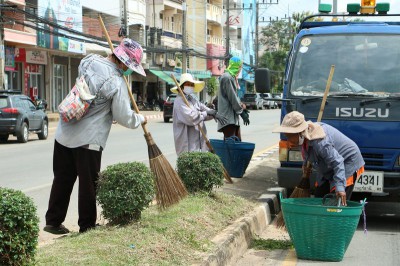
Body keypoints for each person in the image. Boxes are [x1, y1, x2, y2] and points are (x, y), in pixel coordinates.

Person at [44, 38, 147, 234]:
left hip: (64, 132)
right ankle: (87, 226)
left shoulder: (89, 60)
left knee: (62, 178)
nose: (129, 70)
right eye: (130, 66)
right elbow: (123, 116)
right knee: (88, 183)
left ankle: (53, 221)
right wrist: (140, 118)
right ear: (124, 62)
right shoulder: (117, 82)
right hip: (89, 139)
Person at [273, 111, 365, 206]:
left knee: (335, 202)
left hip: (347, 161)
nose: (288, 140)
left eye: (290, 136)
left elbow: (338, 162)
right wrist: (305, 165)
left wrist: (340, 187)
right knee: (319, 197)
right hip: (327, 165)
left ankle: (334, 218)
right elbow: (307, 152)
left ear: (300, 133)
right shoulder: (302, 138)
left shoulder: (320, 142)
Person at [172, 73, 227, 155]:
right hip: (187, 143)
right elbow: (191, 118)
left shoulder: (192, 98)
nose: (190, 86)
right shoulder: (179, 101)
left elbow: (203, 108)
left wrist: (213, 113)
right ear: (182, 86)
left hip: (199, 141)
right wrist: (207, 113)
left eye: (192, 84)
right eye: (188, 84)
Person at [217, 56, 249, 140]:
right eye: (239, 67)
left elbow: (235, 97)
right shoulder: (227, 78)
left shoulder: (231, 77)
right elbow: (232, 98)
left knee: (236, 144)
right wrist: (241, 112)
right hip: (228, 118)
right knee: (231, 146)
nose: (240, 69)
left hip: (232, 118)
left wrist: (242, 108)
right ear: (235, 66)